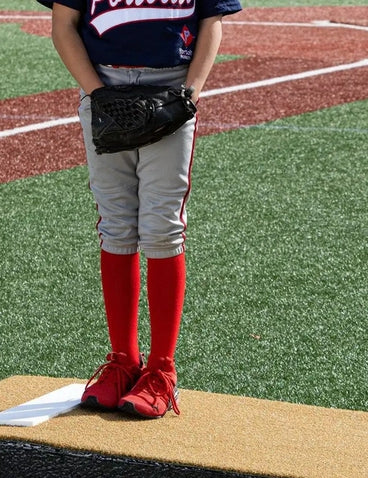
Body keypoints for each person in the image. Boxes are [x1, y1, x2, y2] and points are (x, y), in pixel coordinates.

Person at [44, 0, 241, 417]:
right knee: (115, 225)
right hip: (103, 86)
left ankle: (162, 370)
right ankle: (123, 361)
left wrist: (190, 93)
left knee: (162, 228)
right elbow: (63, 25)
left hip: (169, 90)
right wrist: (98, 95)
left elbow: (211, 21)